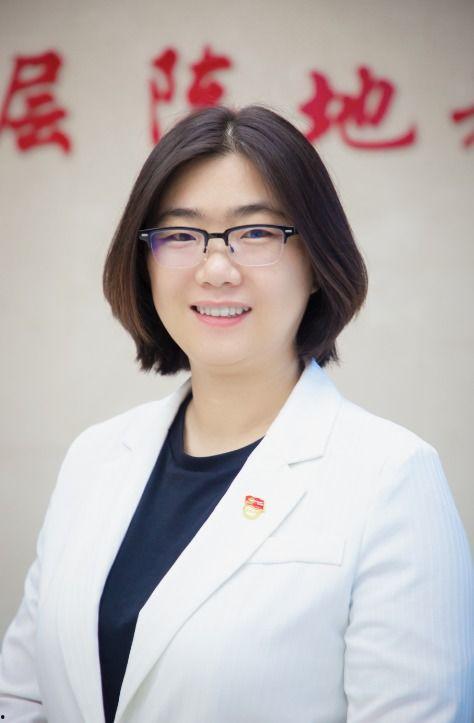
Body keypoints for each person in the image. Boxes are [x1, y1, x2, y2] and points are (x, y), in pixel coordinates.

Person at [0, 104, 472, 723]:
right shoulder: (95, 458)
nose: (216, 269)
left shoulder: (391, 478)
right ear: (145, 262)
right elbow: (22, 696)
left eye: (256, 233)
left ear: (316, 263)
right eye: (180, 235)